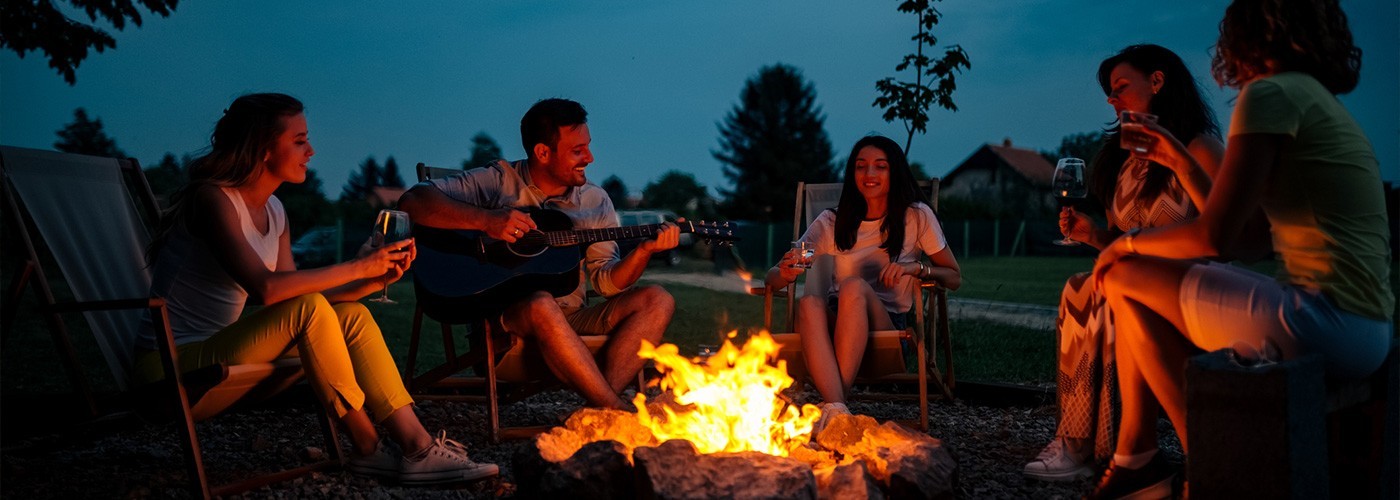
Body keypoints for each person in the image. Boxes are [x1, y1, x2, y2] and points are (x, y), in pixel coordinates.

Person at [1087, 0, 1394, 497]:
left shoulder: (1269, 94)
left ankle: (1203, 460)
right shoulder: (1313, 97)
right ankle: (1139, 455)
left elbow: (1215, 239)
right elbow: (1250, 239)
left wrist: (1124, 242)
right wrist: (1182, 162)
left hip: (1326, 321)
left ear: (1244, 37)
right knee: (1130, 288)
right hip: (1364, 324)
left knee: (1122, 275)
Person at [136, 93, 498, 485]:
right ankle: (367, 446)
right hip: (169, 366)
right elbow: (266, 290)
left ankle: (417, 445)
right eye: (299, 140)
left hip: (221, 347)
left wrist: (369, 281)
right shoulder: (212, 199)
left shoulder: (274, 210)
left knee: (353, 315)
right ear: (262, 147)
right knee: (310, 308)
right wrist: (356, 265)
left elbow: (294, 300)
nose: (311, 150)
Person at [1023, 44, 1226, 482]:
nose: (1112, 100)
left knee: (1090, 286)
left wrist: (1120, 247)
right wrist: (1094, 235)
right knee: (1084, 284)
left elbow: (1220, 237)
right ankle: (1088, 441)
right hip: (1133, 280)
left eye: (1120, 88)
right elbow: (1123, 244)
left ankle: (1097, 445)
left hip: (1190, 288)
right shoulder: (1124, 164)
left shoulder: (1200, 148)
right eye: (1109, 94)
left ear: (1157, 82)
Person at [397, 98, 679, 410]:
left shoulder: (596, 200)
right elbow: (413, 202)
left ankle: (600, 409)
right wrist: (487, 221)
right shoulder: (500, 181)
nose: (590, 157)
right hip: (507, 327)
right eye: (577, 150)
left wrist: (644, 250)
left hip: (573, 320)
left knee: (658, 299)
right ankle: (616, 410)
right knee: (542, 303)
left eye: (588, 146)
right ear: (543, 152)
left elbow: (606, 284)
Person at [765, 135, 961, 420]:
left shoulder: (916, 217)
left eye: (880, 166)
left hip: (888, 332)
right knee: (808, 304)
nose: (869, 174)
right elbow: (773, 279)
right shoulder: (833, 222)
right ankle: (838, 410)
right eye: (861, 166)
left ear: (894, 171)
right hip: (832, 333)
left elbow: (954, 277)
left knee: (853, 286)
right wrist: (784, 273)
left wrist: (916, 269)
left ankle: (834, 403)